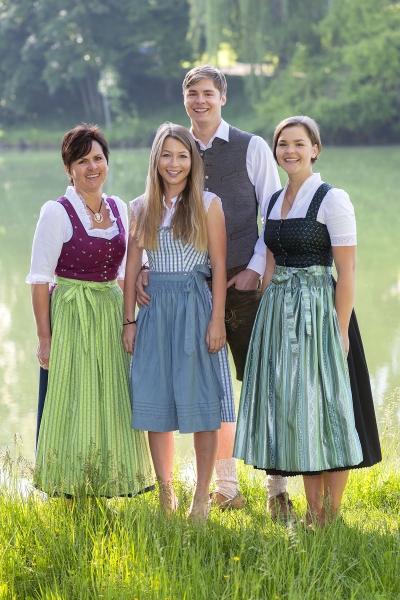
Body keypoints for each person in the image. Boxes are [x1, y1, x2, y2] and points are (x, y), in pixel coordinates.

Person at [136, 65, 294, 521]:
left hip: (245, 284)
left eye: (208, 93)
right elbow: (154, 218)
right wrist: (148, 269)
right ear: (184, 100)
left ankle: (276, 486)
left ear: (222, 97)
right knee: (211, 391)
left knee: (264, 384)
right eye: (192, 94)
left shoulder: (252, 146)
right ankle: (225, 486)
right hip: (188, 294)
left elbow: (274, 212)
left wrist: (258, 270)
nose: (200, 101)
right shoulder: (174, 149)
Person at [234, 116, 382, 526]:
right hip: (280, 314)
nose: (290, 151)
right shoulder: (274, 200)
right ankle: (312, 510)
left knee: (330, 410)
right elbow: (271, 261)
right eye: (282, 144)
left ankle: (329, 517)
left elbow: (348, 271)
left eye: (299, 143)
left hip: (320, 315)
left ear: (315, 149)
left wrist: (339, 329)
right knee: (300, 412)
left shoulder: (333, 199)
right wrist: (265, 313)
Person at [27, 124, 154, 498]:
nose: (92, 167)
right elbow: (38, 279)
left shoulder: (119, 208)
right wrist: (44, 338)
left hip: (109, 312)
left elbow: (124, 270)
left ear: (107, 163)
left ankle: (105, 483)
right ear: (69, 169)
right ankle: (69, 493)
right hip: (70, 313)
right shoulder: (56, 211)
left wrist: (139, 290)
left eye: (98, 158)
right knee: (71, 399)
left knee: (108, 397)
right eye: (82, 161)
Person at [122, 122, 230, 520]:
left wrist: (217, 320)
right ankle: (165, 494)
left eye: (182, 155)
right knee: (155, 402)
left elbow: (218, 266)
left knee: (201, 401)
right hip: (153, 311)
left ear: (193, 160)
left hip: (194, 305)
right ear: (155, 159)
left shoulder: (208, 203)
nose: (174, 163)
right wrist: (128, 321)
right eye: (166, 154)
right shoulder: (139, 206)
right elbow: (132, 267)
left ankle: (201, 497)